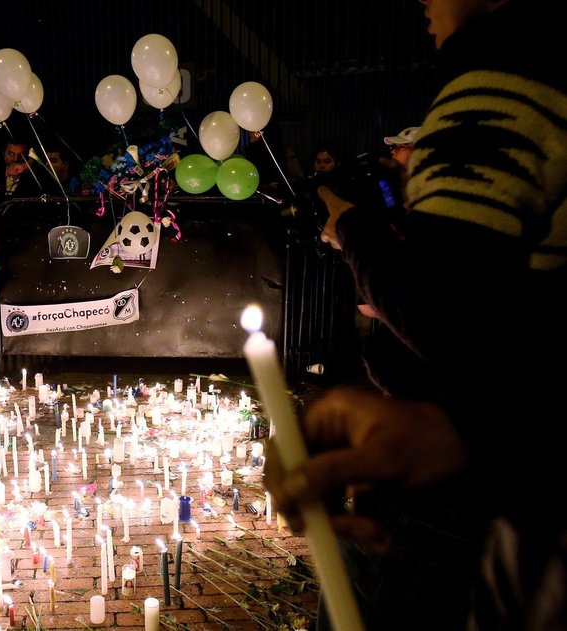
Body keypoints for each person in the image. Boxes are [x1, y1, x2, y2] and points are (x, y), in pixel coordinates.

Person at [267, 0, 567, 628]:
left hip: (469, 507)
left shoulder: (503, 81)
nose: (423, 2)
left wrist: (351, 228)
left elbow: (445, 315)